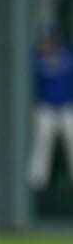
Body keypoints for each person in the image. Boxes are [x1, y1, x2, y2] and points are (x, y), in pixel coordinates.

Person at [29, 25, 73, 190]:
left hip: (66, 106)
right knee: (42, 140)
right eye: (44, 41)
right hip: (45, 108)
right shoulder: (35, 60)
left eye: (49, 41)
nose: (46, 44)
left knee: (72, 138)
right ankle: (37, 183)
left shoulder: (68, 57)